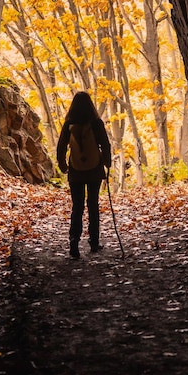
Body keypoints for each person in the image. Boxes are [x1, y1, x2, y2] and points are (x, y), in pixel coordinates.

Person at [56, 91, 111, 259]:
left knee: (77, 207)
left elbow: (61, 147)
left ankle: (74, 242)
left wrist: (63, 165)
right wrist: (107, 163)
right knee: (93, 205)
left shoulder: (68, 124)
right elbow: (105, 145)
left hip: (76, 170)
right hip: (94, 170)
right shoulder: (96, 123)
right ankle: (94, 243)